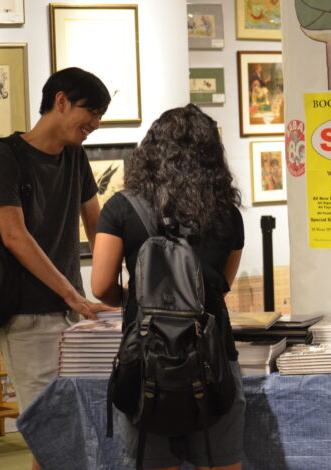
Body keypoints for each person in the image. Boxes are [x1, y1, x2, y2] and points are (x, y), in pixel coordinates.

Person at [91, 104, 245, 470]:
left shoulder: (120, 207)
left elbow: (100, 287)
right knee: (220, 463)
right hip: (213, 357)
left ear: (150, 150)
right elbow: (221, 287)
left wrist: (133, 298)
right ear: (212, 155)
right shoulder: (227, 212)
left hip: (146, 361)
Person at [0, 66, 114, 470]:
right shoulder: (4, 156)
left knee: (69, 430)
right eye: (91, 112)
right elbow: (14, 236)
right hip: (26, 314)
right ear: (60, 101)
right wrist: (74, 294)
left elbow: (98, 224)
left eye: (101, 115)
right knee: (52, 431)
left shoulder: (75, 156)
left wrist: (112, 286)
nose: (96, 123)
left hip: (72, 314)